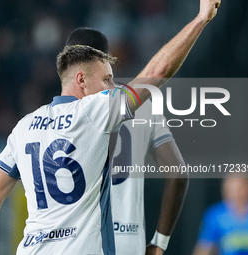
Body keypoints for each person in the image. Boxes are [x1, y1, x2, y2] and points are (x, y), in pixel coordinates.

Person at [0, 0, 221, 254]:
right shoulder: (95, 112)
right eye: (107, 79)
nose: (113, 87)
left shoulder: (24, 126)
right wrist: (200, 20)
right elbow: (158, 72)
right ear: (82, 79)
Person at [65, 27, 188, 255]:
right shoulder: (144, 107)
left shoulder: (61, 114)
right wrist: (159, 242)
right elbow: (178, 173)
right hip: (128, 243)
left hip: (77, 243)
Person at [193, 174, 248, 255]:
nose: (236, 194)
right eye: (231, 190)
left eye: (239, 189)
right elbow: (204, 247)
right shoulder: (215, 215)